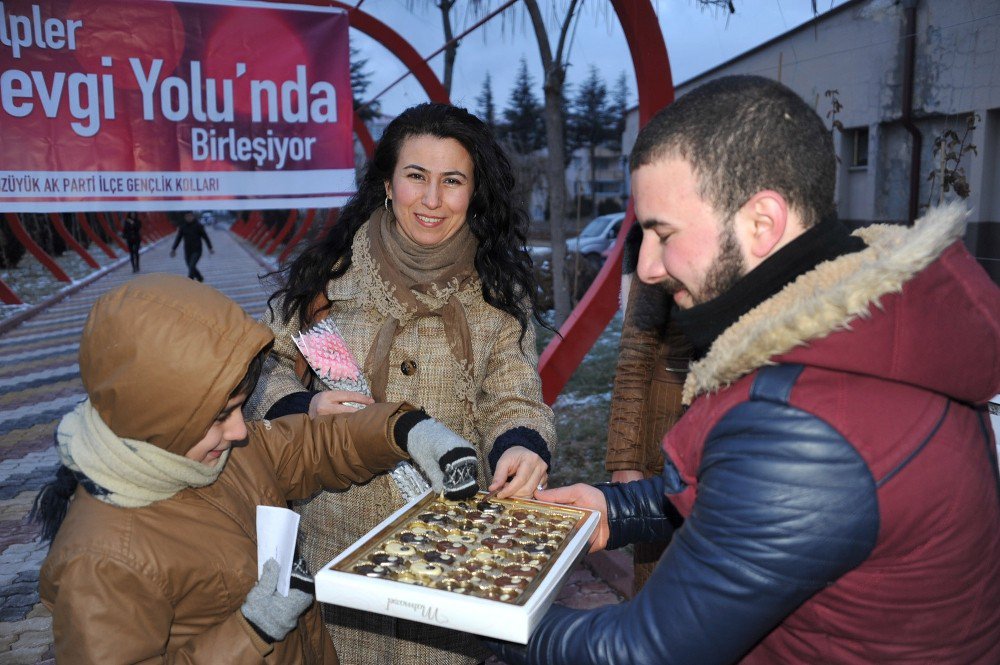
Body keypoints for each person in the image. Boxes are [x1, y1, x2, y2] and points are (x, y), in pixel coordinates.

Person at [493, 75, 1000, 663]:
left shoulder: (802, 421)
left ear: (762, 224)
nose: (649, 268)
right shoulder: (859, 334)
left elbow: (641, 652)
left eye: (662, 234)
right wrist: (616, 508)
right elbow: (751, 499)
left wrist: (482, 607)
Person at [33, 274, 481, 664]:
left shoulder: (216, 453)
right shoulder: (101, 560)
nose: (238, 430)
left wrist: (408, 431)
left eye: (239, 409)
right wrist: (254, 630)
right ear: (160, 416)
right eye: (217, 416)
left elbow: (315, 444)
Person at [246, 102, 556, 664]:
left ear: (473, 192)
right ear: (388, 183)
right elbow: (265, 364)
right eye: (416, 176)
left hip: (448, 558)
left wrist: (521, 445)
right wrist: (303, 405)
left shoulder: (497, 299)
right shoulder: (327, 278)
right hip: (334, 548)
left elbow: (514, 396)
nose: (432, 200)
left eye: (452, 181)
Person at [604, 223, 690, 594]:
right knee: (657, 590)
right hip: (663, 448)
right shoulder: (658, 238)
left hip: (733, 449)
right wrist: (625, 462)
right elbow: (634, 358)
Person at [170, 211, 213, 281]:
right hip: (187, 250)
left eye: (190, 216)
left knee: (192, 266)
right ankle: (200, 278)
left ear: (193, 216)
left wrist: (210, 248)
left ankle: (189, 281)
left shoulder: (198, 226)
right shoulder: (183, 227)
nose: (189, 218)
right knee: (190, 266)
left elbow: (205, 237)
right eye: (187, 216)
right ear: (185, 217)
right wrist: (173, 249)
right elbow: (178, 238)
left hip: (197, 250)